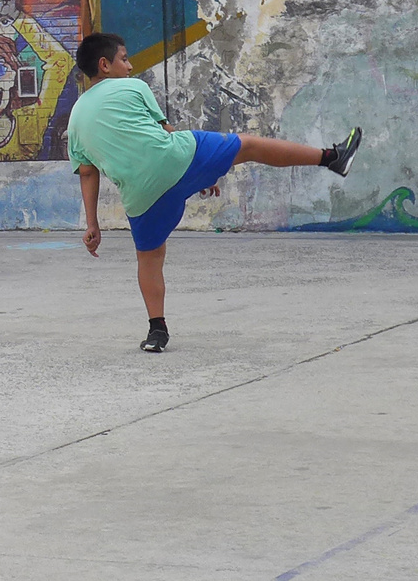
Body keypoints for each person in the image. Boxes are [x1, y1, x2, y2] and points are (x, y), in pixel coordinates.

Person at [71, 33, 364, 352]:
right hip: (175, 158)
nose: (129, 66)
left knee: (150, 258)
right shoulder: (133, 87)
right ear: (105, 64)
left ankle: (157, 331)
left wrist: (92, 224)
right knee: (248, 145)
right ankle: (332, 158)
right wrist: (201, 169)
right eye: (124, 59)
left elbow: (87, 172)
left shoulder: (75, 119)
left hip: (141, 196)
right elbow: (162, 133)